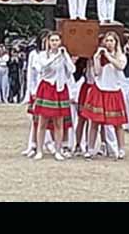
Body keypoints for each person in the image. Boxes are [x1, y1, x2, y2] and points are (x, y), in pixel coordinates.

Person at [81, 31, 128, 160]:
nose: (109, 43)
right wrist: (96, 58)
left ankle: (121, 149)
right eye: (107, 41)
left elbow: (120, 66)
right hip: (100, 89)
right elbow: (97, 72)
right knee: (94, 122)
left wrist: (108, 56)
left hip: (114, 90)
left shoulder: (121, 56)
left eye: (111, 41)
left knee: (117, 123)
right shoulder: (99, 56)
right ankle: (90, 149)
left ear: (116, 43)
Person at [31, 32, 75, 161]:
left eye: (57, 40)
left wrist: (65, 55)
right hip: (47, 88)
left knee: (59, 122)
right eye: (52, 40)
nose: (55, 43)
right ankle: (39, 150)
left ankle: (58, 149)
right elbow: (43, 67)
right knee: (42, 121)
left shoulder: (63, 55)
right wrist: (55, 57)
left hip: (60, 88)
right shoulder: (42, 55)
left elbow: (71, 70)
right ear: (48, 42)